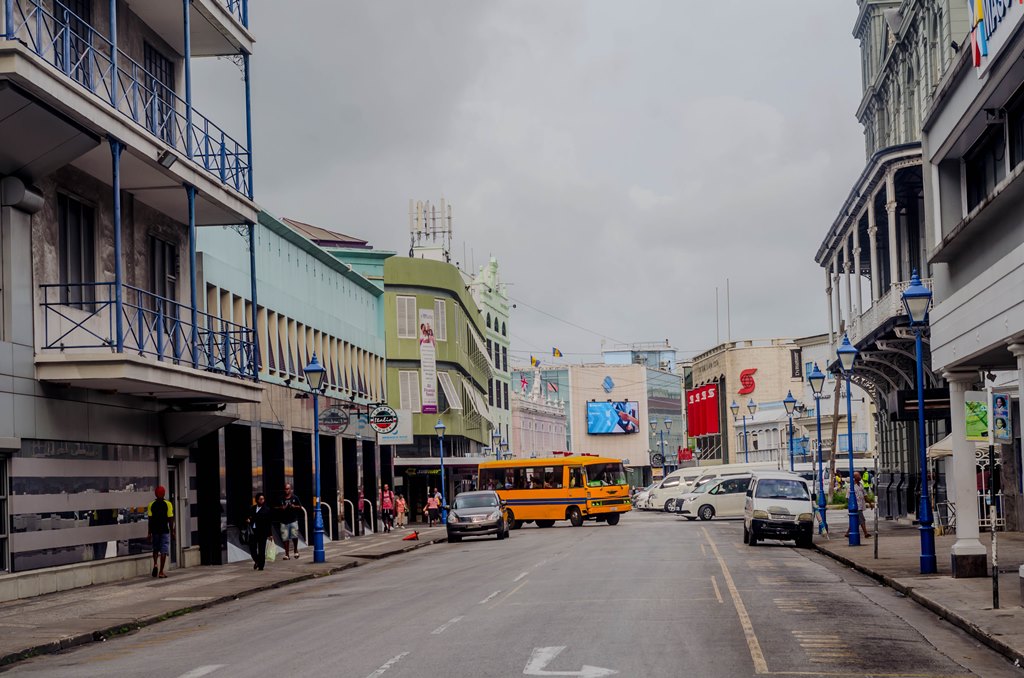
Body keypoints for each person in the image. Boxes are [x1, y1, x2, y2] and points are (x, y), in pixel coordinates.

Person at [146, 486, 174, 579]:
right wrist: (172, 531)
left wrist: (149, 533)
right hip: (164, 530)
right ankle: (161, 572)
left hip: (155, 531)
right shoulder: (168, 504)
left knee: (155, 549)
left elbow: (150, 520)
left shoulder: (151, 504)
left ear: (155, 494)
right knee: (163, 550)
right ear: (164, 493)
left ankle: (155, 564)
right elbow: (170, 519)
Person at [246, 492, 273, 571]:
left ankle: (261, 566)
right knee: (252, 548)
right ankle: (257, 561)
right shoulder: (252, 508)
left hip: (262, 532)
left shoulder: (267, 510)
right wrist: (248, 520)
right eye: (260, 499)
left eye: (263, 499)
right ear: (257, 500)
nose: (262, 501)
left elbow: (269, 523)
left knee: (261, 549)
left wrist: (270, 534)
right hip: (253, 531)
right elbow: (249, 517)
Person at [277, 483, 303, 560]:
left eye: (288, 488)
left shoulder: (295, 497)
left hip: (293, 520)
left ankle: (295, 550)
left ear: (290, 489)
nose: (286, 490)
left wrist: (294, 506)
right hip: (283, 520)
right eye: (285, 489)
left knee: (294, 536)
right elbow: (277, 508)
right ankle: (287, 554)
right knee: (285, 538)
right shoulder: (281, 498)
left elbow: (300, 507)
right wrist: (282, 508)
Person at [847, 471, 872, 539]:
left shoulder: (861, 485)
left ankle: (847, 533)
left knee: (856, 520)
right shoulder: (851, 486)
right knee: (862, 520)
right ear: (854, 477)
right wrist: (851, 506)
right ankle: (865, 533)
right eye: (858, 476)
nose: (860, 477)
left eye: (860, 475)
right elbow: (848, 497)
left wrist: (870, 503)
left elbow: (865, 495)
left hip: (860, 505)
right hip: (855, 506)